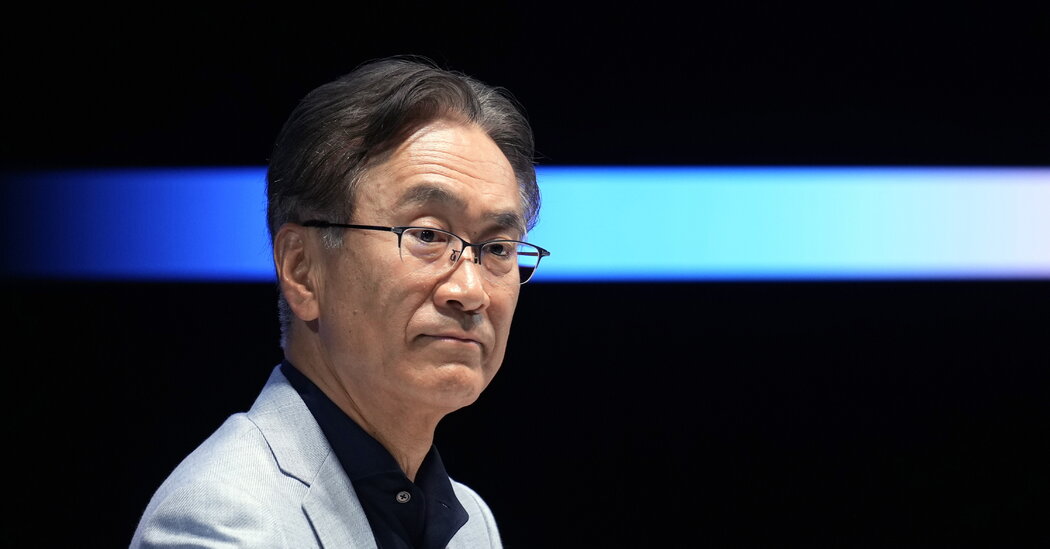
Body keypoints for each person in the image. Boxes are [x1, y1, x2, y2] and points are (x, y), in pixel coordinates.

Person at [130, 55, 549, 548]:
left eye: (497, 248)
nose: (471, 291)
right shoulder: (223, 521)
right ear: (302, 270)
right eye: (427, 235)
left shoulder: (473, 526)